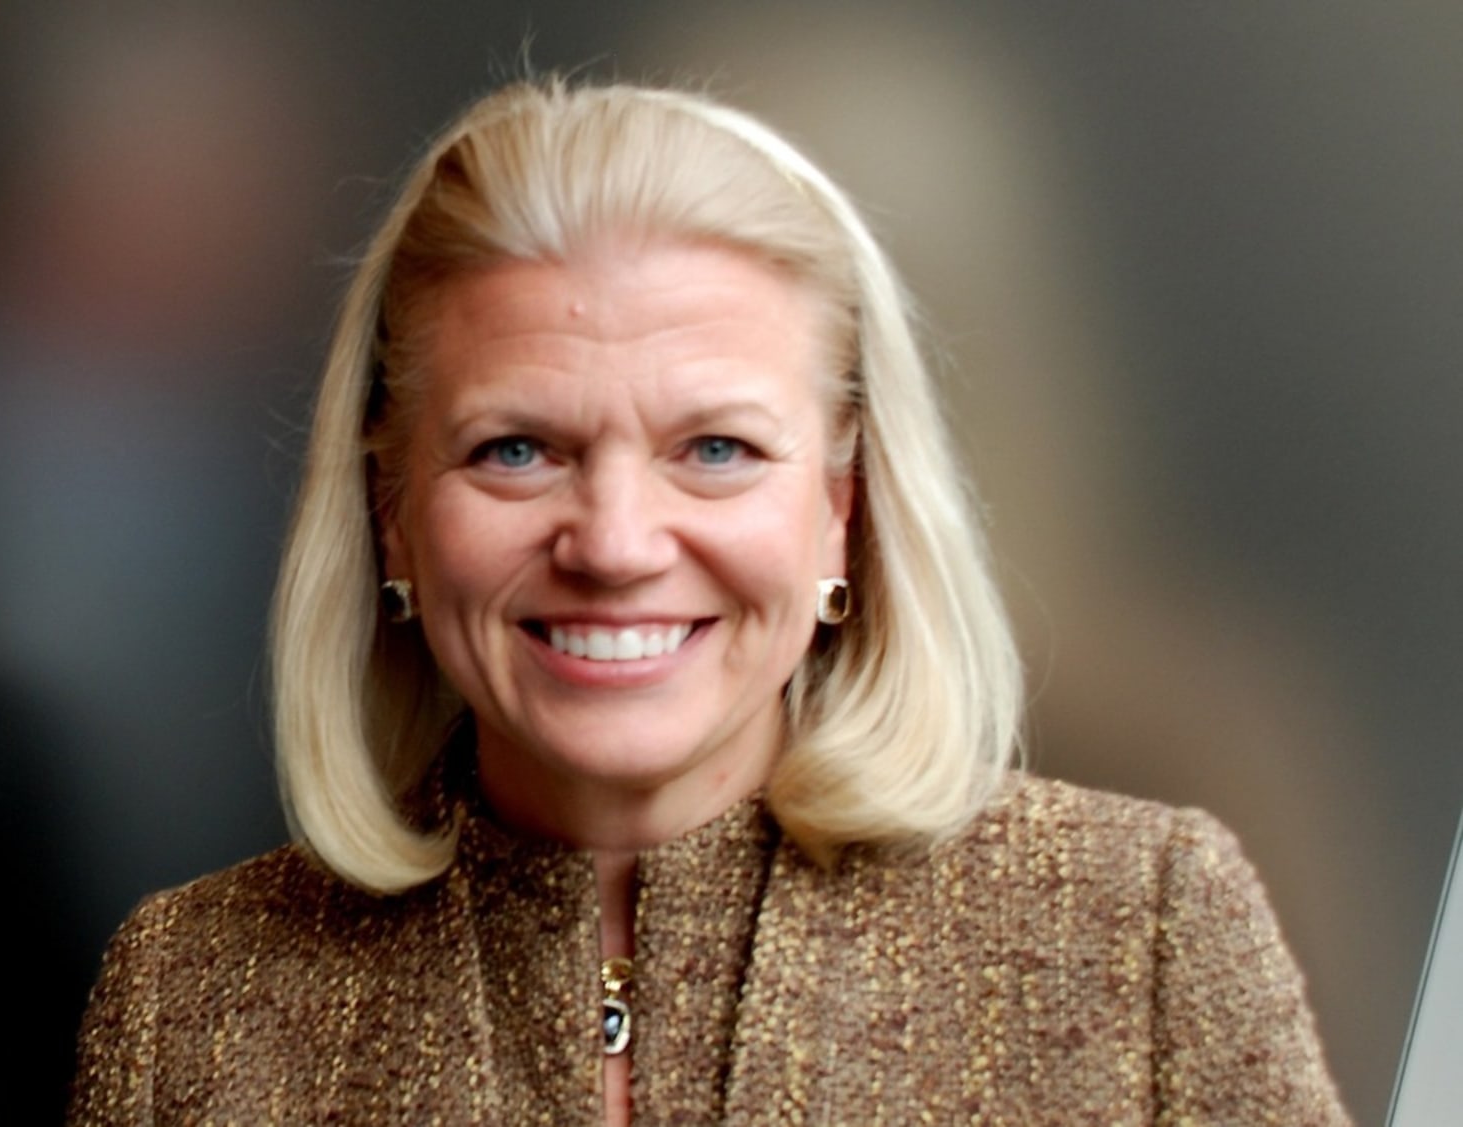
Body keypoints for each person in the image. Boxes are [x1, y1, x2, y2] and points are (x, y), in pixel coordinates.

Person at [69, 78, 1349, 1124]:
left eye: (718, 448)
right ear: (394, 510)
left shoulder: (1143, 926)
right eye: (518, 448)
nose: (617, 542)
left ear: (843, 507)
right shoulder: (194, 994)